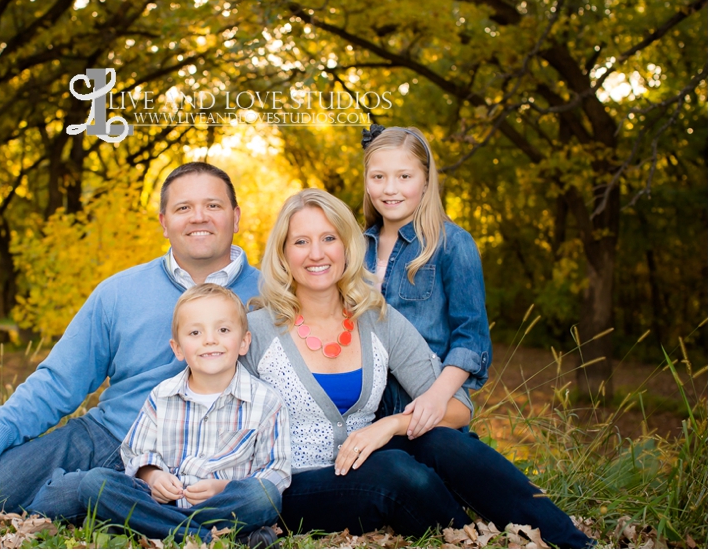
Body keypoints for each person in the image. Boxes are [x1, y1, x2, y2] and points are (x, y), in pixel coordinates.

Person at [243, 189, 593, 548]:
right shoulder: (255, 330)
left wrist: (391, 424)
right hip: (295, 487)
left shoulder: (378, 320)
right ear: (284, 254)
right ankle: (470, 538)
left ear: (347, 246)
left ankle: (575, 545)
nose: (316, 253)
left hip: (371, 466)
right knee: (395, 471)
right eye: (301, 241)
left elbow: (457, 408)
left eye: (329, 238)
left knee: (442, 440)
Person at [0, 163, 261, 516]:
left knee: (72, 496)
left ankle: (88, 495)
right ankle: (98, 493)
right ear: (164, 222)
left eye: (213, 205)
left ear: (235, 216)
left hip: (214, 453)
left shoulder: (271, 296)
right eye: (183, 208)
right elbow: (59, 380)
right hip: (109, 435)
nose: (199, 217)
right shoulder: (119, 292)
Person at [24, 284, 291, 547]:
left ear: (244, 341)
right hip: (160, 501)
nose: (210, 339)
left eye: (223, 330)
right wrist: (153, 476)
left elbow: (276, 471)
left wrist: (224, 488)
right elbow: (136, 451)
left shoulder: (266, 402)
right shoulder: (162, 395)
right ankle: (208, 537)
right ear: (177, 348)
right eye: (195, 332)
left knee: (263, 496)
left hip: (223, 503)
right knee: (95, 483)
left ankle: (153, 527)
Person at [361, 123, 493, 432]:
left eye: (404, 176)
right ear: (367, 183)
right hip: (363, 410)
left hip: (426, 403)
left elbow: (471, 336)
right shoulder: (354, 247)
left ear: (425, 180)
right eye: (378, 177)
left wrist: (436, 397)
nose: (390, 189)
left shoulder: (452, 244)